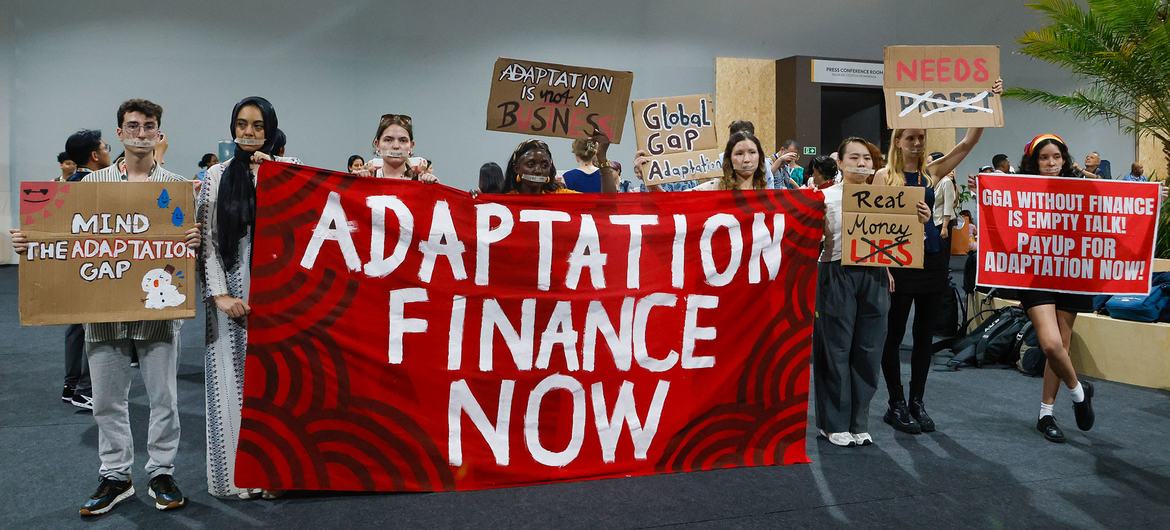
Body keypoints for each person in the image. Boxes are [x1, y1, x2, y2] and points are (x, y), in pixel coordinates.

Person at [13, 99, 200, 516]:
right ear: (119, 133)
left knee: (164, 398)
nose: (140, 133)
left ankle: (161, 471)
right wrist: (31, 241)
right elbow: (62, 236)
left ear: (158, 132)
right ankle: (116, 475)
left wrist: (192, 241)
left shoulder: (177, 187)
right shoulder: (88, 186)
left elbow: (189, 248)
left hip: (157, 311)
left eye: (148, 126)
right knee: (106, 401)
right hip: (103, 310)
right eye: (132, 126)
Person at [875, 79, 998, 435]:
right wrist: (884, 267)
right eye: (910, 138)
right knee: (894, 334)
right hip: (898, 264)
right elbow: (875, 225)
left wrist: (987, 101)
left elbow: (968, 142)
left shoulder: (930, 174)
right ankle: (895, 402)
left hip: (931, 261)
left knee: (924, 335)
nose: (917, 143)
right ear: (898, 140)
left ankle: (917, 401)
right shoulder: (884, 176)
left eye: (921, 138)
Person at [199, 96, 298, 499]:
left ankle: (276, 474)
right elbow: (207, 239)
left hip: (281, 297)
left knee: (279, 385)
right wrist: (219, 294)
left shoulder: (290, 171)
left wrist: (275, 173)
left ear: (270, 129)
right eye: (242, 124)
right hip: (231, 295)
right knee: (230, 385)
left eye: (258, 126)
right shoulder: (217, 175)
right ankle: (237, 479)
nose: (250, 133)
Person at [813, 137, 930, 447]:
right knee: (836, 348)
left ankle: (858, 421)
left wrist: (921, 220)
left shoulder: (889, 197)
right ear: (839, 162)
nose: (861, 163)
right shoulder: (823, 197)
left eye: (866, 158)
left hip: (875, 274)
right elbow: (811, 239)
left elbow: (901, 240)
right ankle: (833, 423)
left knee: (869, 349)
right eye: (854, 157)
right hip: (836, 271)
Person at [358, 114, 438, 182]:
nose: (396, 146)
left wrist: (433, 189)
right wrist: (356, 182)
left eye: (403, 140)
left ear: (411, 145)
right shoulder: (366, 179)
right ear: (377, 144)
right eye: (388, 140)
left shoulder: (422, 181)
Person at [686, 131, 769, 191]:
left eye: (752, 152)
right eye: (739, 154)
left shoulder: (764, 190)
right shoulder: (713, 188)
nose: (746, 159)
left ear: (760, 156)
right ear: (729, 158)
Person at [499, 139, 577, 194]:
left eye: (545, 165)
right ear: (516, 168)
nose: (538, 171)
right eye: (530, 164)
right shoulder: (504, 202)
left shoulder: (564, 197)